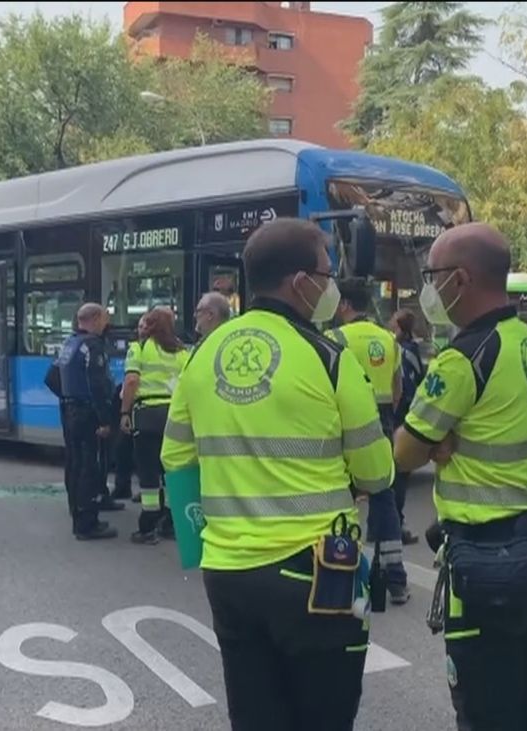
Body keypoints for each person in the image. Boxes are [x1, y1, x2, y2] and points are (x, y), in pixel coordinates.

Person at [161, 217, 396, 731]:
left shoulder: (202, 357)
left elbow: (176, 458)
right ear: (301, 282)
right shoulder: (329, 358)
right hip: (317, 573)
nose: (332, 285)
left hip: (227, 574)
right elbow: (377, 472)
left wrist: (202, 546)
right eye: (327, 274)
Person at [393, 222, 527, 731]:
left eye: (433, 276)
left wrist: (438, 441)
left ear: (461, 279)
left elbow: (404, 453)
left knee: (484, 707)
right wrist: (444, 439)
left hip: (489, 557)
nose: (429, 288)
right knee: (518, 693)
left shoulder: (463, 358)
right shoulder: (526, 340)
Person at [325, 278, 410, 606]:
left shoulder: (335, 339)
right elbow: (397, 389)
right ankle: (395, 580)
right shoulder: (389, 339)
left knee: (341, 502)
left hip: (345, 425)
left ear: (345, 304)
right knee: (384, 499)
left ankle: (341, 578)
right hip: (382, 424)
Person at [46, 303, 118, 540]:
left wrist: (68, 397)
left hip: (69, 411)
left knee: (74, 463)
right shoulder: (93, 345)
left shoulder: (70, 343)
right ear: (95, 319)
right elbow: (97, 384)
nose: (107, 323)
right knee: (90, 465)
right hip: (87, 413)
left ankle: (76, 509)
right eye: (105, 318)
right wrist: (104, 419)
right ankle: (87, 522)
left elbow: (51, 378)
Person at [120, 307, 190, 545]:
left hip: (147, 414)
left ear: (149, 326)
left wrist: (124, 412)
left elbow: (131, 380)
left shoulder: (139, 348)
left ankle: (147, 526)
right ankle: (169, 522)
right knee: (170, 469)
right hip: (175, 415)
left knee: (148, 472)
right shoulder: (183, 352)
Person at [390, 308, 426, 546]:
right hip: (403, 414)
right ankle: (395, 523)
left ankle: (391, 524)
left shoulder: (399, 350)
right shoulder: (411, 351)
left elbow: (406, 384)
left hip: (396, 414)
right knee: (398, 474)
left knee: (394, 474)